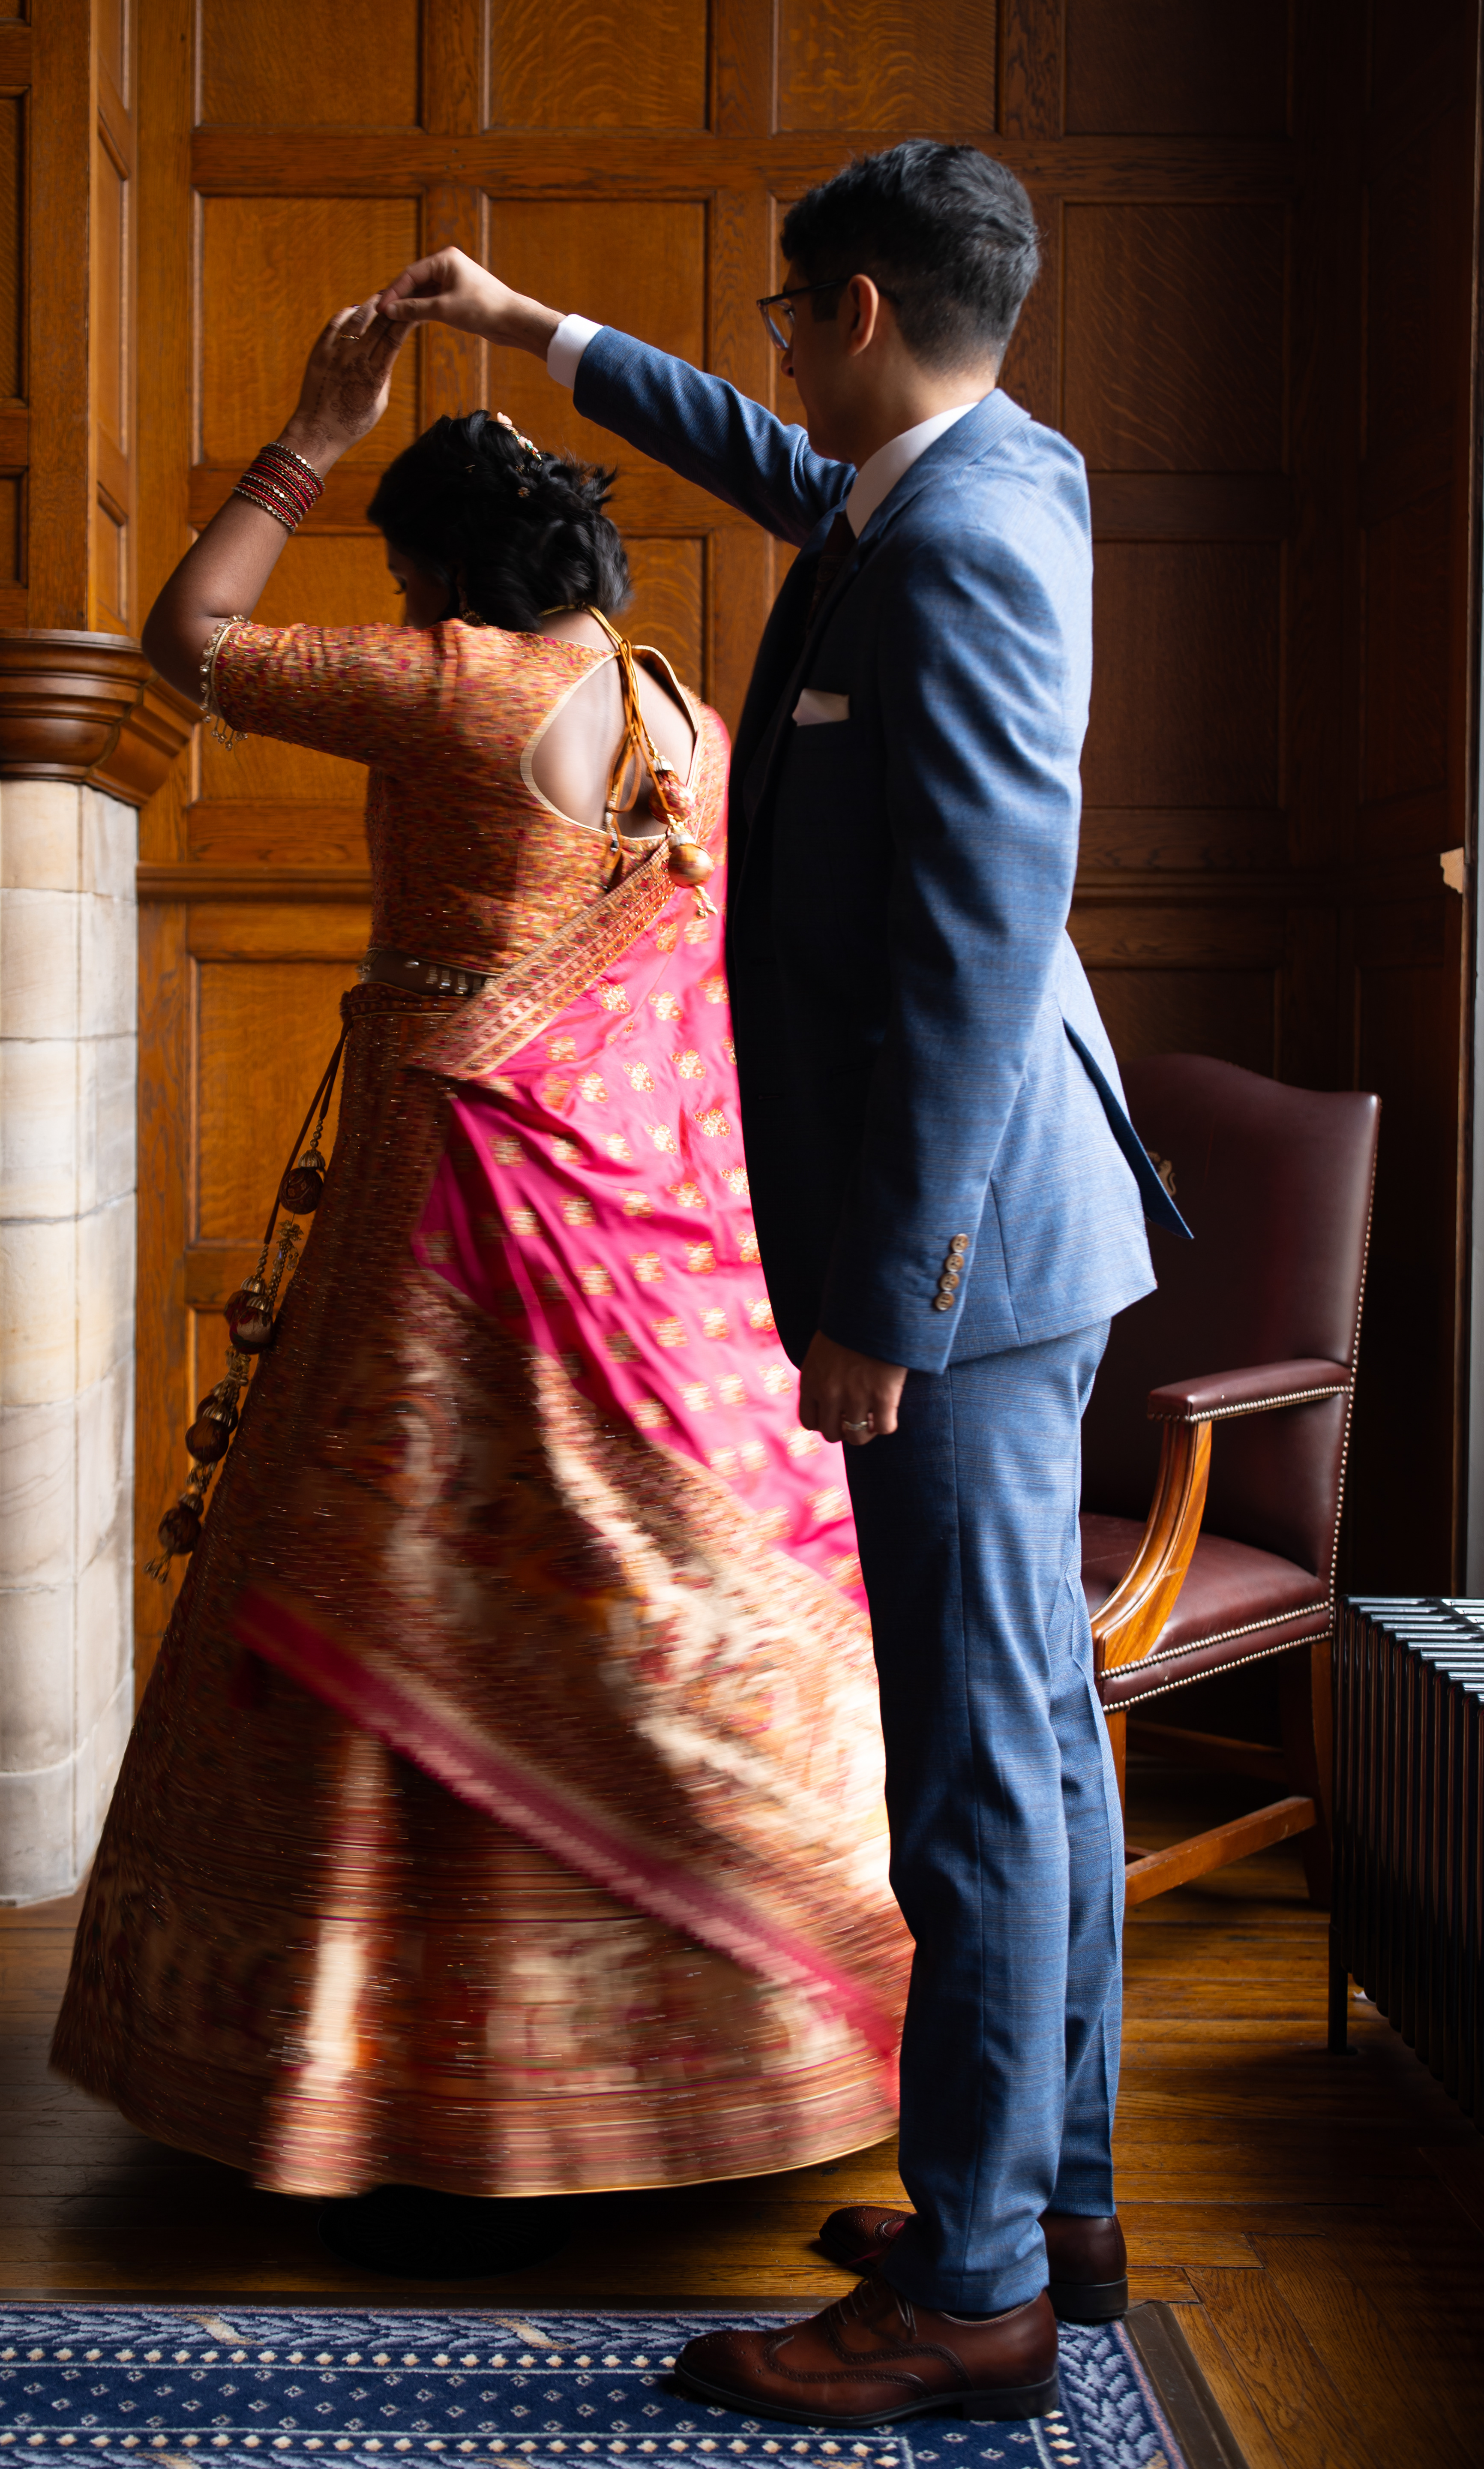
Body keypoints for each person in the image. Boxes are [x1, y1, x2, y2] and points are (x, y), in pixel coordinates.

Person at [377, 140, 1189, 2411]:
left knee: (970, 1767)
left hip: (972, 1251)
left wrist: (881, 1301)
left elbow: (970, 946)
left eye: (767, 313)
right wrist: (540, 333)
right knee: (1030, 1732)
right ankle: (1054, 2196)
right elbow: (765, 462)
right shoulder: (963, 466)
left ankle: (970, 2293)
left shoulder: (974, 544)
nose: (757, 350)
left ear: (845, 308)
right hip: (1011, 1229)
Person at [50, 302, 911, 2277]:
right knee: (630, 1600)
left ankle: (348, 2078)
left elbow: (184, 645)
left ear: (435, 571)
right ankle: (728, 2057)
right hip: (656, 1242)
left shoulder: (447, 684)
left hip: (453, 1212)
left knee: (398, 1576)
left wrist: (301, 437)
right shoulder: (686, 717)